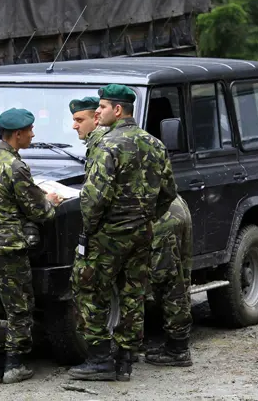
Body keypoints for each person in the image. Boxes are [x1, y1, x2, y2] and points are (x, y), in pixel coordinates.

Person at [69, 84, 177, 382]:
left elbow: (93, 198)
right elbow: (169, 192)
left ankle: (99, 360)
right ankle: (125, 360)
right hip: (141, 232)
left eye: (102, 107)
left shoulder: (107, 145)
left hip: (107, 235)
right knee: (133, 294)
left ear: (118, 110)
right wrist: (146, 217)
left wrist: (90, 231)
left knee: (89, 292)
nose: (98, 111)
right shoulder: (154, 144)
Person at [0, 108, 63, 384]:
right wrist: (51, 202)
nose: (33, 135)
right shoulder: (16, 167)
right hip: (6, 246)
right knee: (18, 306)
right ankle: (14, 365)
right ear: (17, 135)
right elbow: (39, 212)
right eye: (30, 131)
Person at [145, 194, 193, 367]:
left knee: (167, 281)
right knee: (180, 276)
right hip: (174, 205)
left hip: (162, 216)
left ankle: (178, 350)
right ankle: (177, 345)